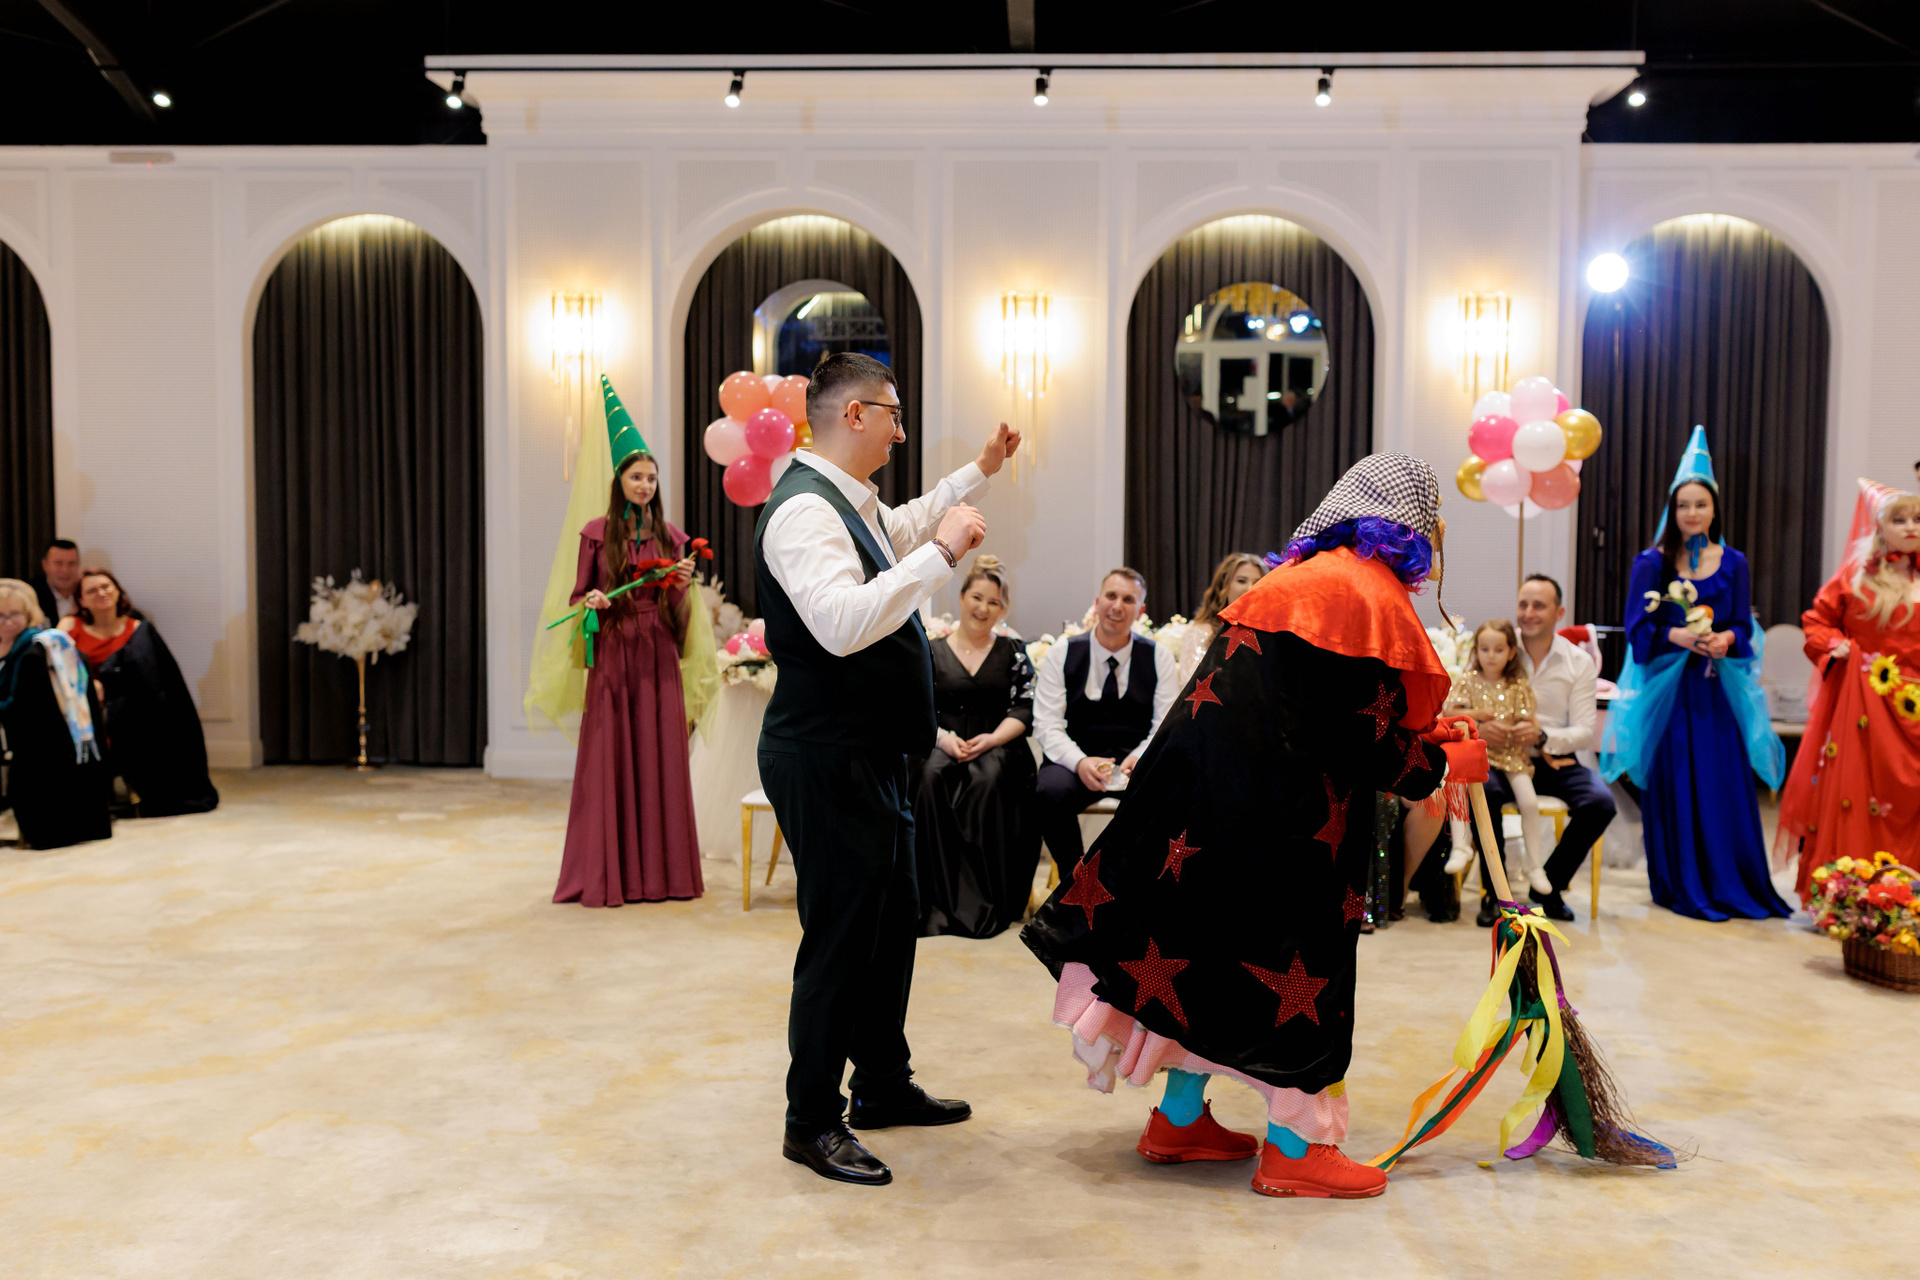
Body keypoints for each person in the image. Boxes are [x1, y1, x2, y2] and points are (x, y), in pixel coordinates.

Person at [1023, 454, 1488, 1201]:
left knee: (1199, 959)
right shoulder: (1365, 595)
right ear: (1408, 522)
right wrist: (1440, 765)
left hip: (1204, 816)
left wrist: (1422, 741)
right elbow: (1361, 738)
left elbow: (1318, 709)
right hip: (1289, 829)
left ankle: (1179, 1120)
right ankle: (1296, 1149)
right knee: (1300, 976)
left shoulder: (1292, 582)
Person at [755, 350, 1019, 1187]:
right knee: (841, 938)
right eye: (894, 415)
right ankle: (810, 1120)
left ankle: (880, 1083)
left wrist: (978, 472)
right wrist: (942, 553)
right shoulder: (803, 510)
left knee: (891, 923)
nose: (901, 432)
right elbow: (840, 623)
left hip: (872, 755)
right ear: (855, 415)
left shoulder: (850, 502)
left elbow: (899, 533)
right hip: (826, 755)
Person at [1601, 427, 1789, 921]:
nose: (1691, 513)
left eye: (1700, 505)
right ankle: (1681, 884)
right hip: (1670, 698)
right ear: (1672, 510)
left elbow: (1744, 630)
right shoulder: (1652, 563)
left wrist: (1726, 640)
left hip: (1716, 694)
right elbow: (1637, 632)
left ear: (1713, 509)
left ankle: (1733, 881)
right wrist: (1677, 636)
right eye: (1683, 505)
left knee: (1724, 785)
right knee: (1678, 785)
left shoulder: (1734, 563)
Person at [552, 378, 706, 907]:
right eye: (637, 476)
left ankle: (662, 877)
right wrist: (593, 602)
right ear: (619, 480)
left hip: (657, 652)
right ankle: (612, 875)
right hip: (615, 654)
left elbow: (679, 612)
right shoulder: (596, 534)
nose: (645, 484)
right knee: (612, 757)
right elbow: (578, 599)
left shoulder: (671, 537)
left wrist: (680, 585)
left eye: (652, 477)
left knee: (660, 757)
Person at [1778, 479, 1920, 900]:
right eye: (1900, 519)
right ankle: (1852, 898)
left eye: (1918, 519)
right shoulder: (1855, 578)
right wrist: (1835, 645)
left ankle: (1906, 897)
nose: (1911, 526)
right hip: (1863, 710)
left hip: (1913, 713)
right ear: (1880, 527)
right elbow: (1817, 621)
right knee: (1858, 796)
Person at [1464, 574, 1616, 926]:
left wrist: (1542, 735)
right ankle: (1495, 893)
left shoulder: (1577, 662)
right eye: (1523, 604)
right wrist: (1480, 728)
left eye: (1539, 605)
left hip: (1552, 760)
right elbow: (1467, 697)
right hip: (1498, 759)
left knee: (1600, 803)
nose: (1528, 613)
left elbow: (1584, 732)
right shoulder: (1497, 645)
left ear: (1559, 612)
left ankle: (1549, 888)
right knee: (1483, 791)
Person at [912, 554, 1042, 939]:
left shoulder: (1014, 651)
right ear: (962, 597)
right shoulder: (930, 650)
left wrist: (993, 738)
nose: (983, 608)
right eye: (977, 598)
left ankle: (987, 903)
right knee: (929, 778)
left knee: (989, 781)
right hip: (941, 741)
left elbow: (1025, 707)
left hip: (997, 743)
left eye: (993, 602)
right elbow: (917, 707)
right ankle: (933, 904)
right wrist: (943, 739)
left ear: (1003, 609)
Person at [1032, 569, 1179, 879]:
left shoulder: (1159, 657)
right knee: (1050, 790)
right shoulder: (1062, 653)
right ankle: (1077, 880)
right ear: (1097, 603)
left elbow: (1164, 726)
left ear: (1140, 610)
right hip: (1077, 758)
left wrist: (1139, 758)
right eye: (1111, 596)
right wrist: (1079, 762)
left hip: (1134, 762)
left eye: (1128, 600)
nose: (1117, 606)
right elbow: (1047, 724)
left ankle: (1133, 884)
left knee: (1170, 789)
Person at [57, 568, 218, 816]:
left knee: (150, 716)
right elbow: (57, 667)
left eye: (106, 587)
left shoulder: (139, 630)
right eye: (92, 590)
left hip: (131, 707)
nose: (101, 593)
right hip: (82, 705)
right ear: (81, 600)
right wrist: (89, 686)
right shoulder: (71, 627)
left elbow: (154, 677)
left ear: (118, 592)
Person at [0, 579, 111, 849]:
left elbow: (20, 706)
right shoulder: (12, 647)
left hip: (43, 743)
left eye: (14, 614)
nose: (7, 622)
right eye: (0, 615)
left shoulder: (36, 650)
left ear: (28, 614)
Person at [1443, 619, 1548, 895]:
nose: (1491, 656)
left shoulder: (1517, 685)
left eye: (1499, 650)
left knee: (1529, 802)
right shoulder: (1468, 681)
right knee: (1457, 781)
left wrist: (1524, 730)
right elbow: (1449, 712)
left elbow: (1529, 719)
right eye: (1484, 649)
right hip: (1479, 754)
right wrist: (1478, 715)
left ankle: (1535, 866)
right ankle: (1461, 846)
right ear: (1476, 650)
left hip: (1512, 755)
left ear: (1511, 652)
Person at [1177, 553, 1266, 683]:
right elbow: (1193, 684)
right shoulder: (1200, 633)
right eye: (1241, 581)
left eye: (1257, 582)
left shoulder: (1270, 637)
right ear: (1223, 586)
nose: (1250, 588)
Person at [29, 539, 81, 623]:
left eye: (71, 564)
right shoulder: (31, 595)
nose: (65, 570)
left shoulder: (85, 594)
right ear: (45, 565)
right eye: (58, 563)